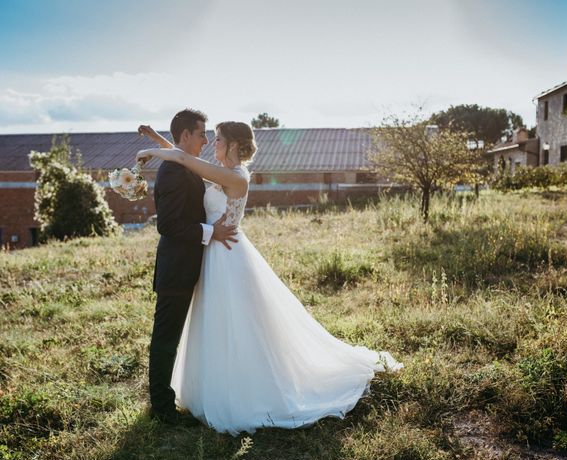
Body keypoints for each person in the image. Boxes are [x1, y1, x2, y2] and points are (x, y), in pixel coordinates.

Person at [137, 121, 403, 435]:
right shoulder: (221, 170)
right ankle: (218, 383)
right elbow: (184, 156)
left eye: (219, 139)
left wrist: (147, 150)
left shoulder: (235, 176)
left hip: (227, 256)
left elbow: (184, 159)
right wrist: (157, 139)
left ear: (234, 145)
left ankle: (249, 389)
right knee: (216, 323)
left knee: (238, 325)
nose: (212, 143)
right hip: (213, 253)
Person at [142, 109, 237, 426]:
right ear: (185, 136)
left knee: (173, 337)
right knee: (166, 339)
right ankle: (162, 409)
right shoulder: (171, 171)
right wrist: (212, 233)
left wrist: (155, 138)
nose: (206, 139)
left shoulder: (185, 165)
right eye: (201, 133)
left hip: (191, 266)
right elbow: (168, 225)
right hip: (176, 268)